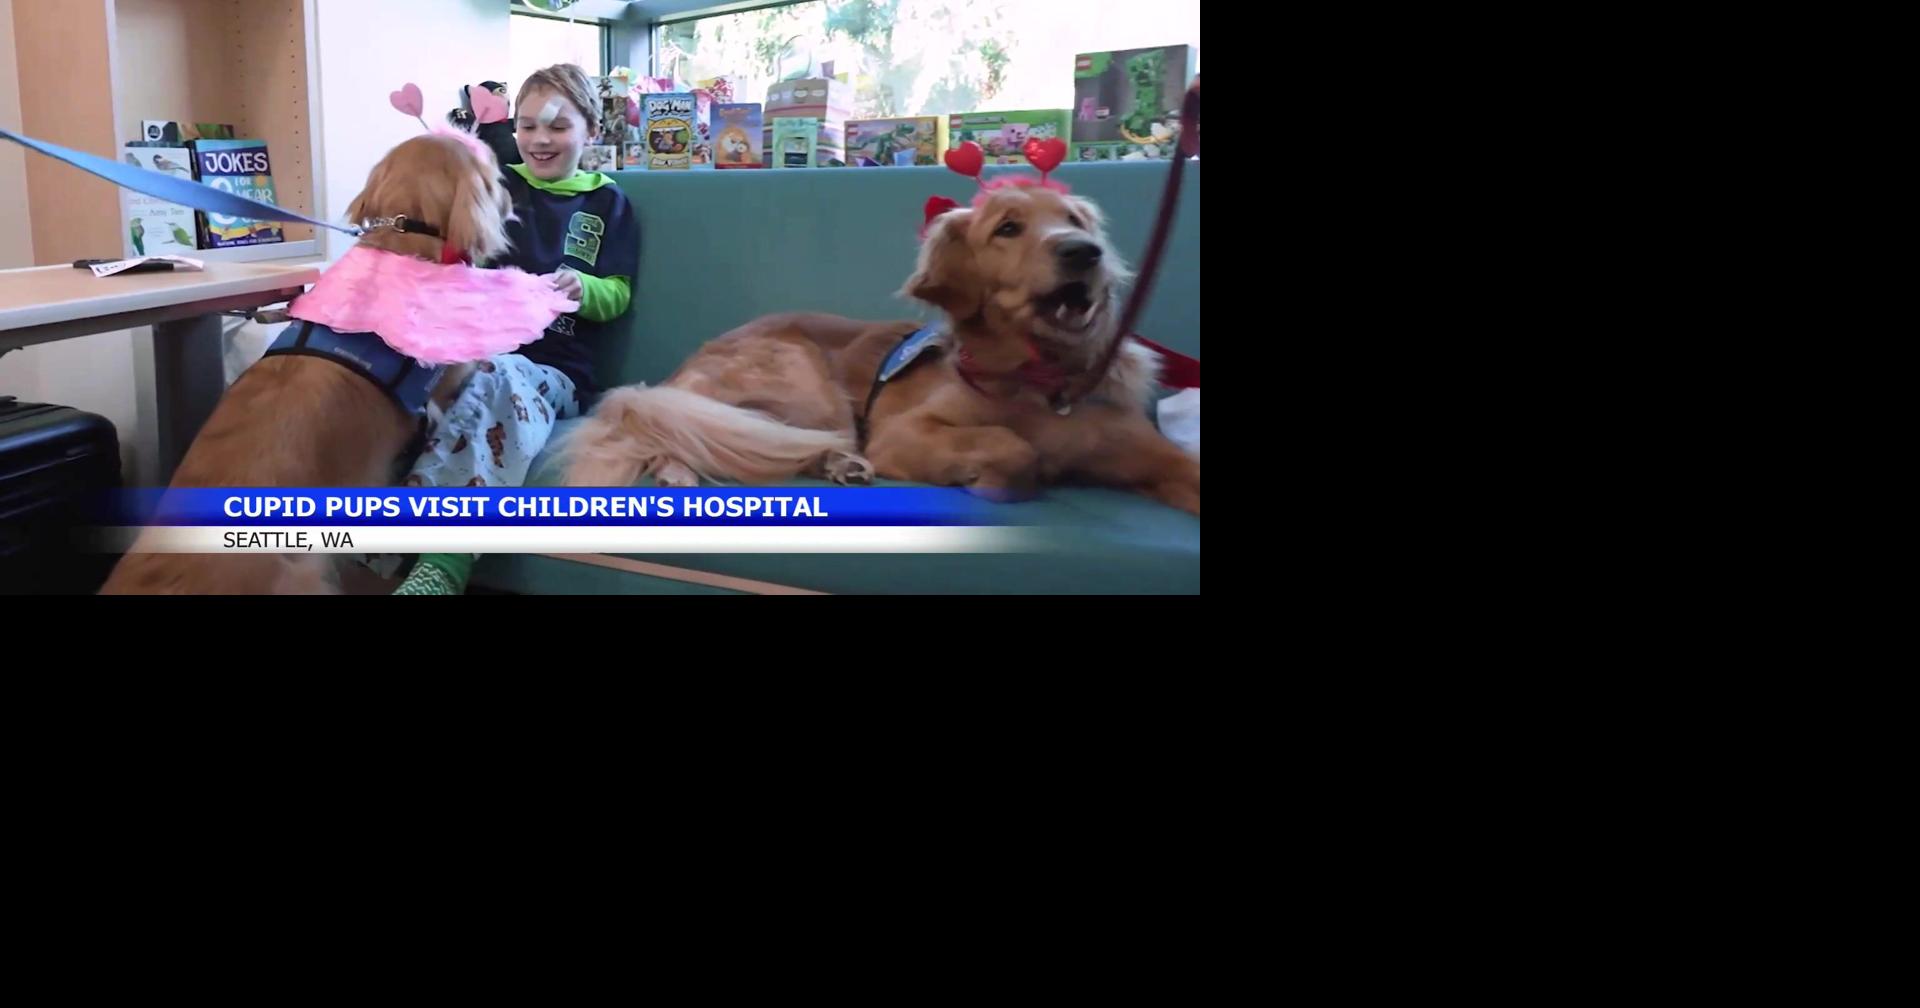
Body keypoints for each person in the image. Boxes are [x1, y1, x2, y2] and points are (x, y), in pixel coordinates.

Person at [393, 63, 641, 595]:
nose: (540, 139)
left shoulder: (607, 202)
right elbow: (456, 263)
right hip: (475, 350)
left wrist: (582, 288)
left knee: (496, 377)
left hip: (557, 373)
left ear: (591, 132)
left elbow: (617, 293)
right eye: (527, 126)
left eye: (557, 125)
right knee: (414, 372)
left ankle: (444, 563)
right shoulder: (497, 188)